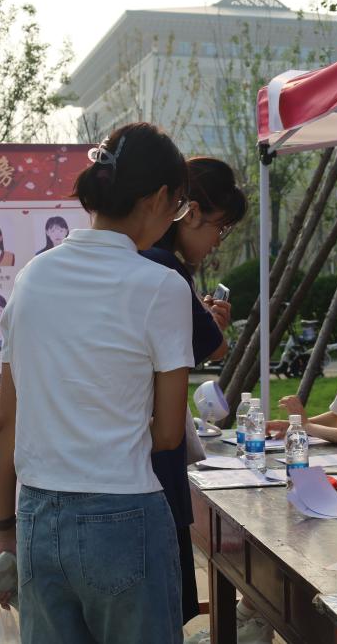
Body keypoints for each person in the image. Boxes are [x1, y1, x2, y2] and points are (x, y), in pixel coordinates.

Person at [0, 122, 193, 643]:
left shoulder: (31, 277)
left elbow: (6, 422)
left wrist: (3, 530)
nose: (173, 219)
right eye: (178, 207)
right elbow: (169, 433)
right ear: (158, 198)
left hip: (37, 516)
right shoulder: (161, 286)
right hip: (123, 512)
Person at [140, 156, 246, 629]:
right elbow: (211, 345)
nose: (217, 241)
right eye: (220, 227)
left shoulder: (135, 261)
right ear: (191, 211)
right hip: (152, 470)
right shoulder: (165, 270)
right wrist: (208, 324)